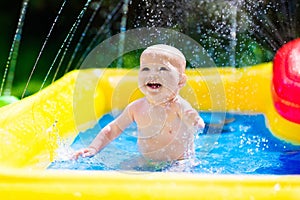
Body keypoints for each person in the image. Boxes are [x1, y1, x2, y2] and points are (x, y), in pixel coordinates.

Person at [72, 44, 205, 168]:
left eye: (162, 69)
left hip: (179, 162)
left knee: (173, 176)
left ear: (181, 81)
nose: (152, 74)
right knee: (122, 170)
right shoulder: (136, 108)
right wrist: (93, 148)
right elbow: (112, 129)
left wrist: (195, 122)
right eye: (146, 69)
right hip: (146, 160)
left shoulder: (178, 106)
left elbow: (195, 120)